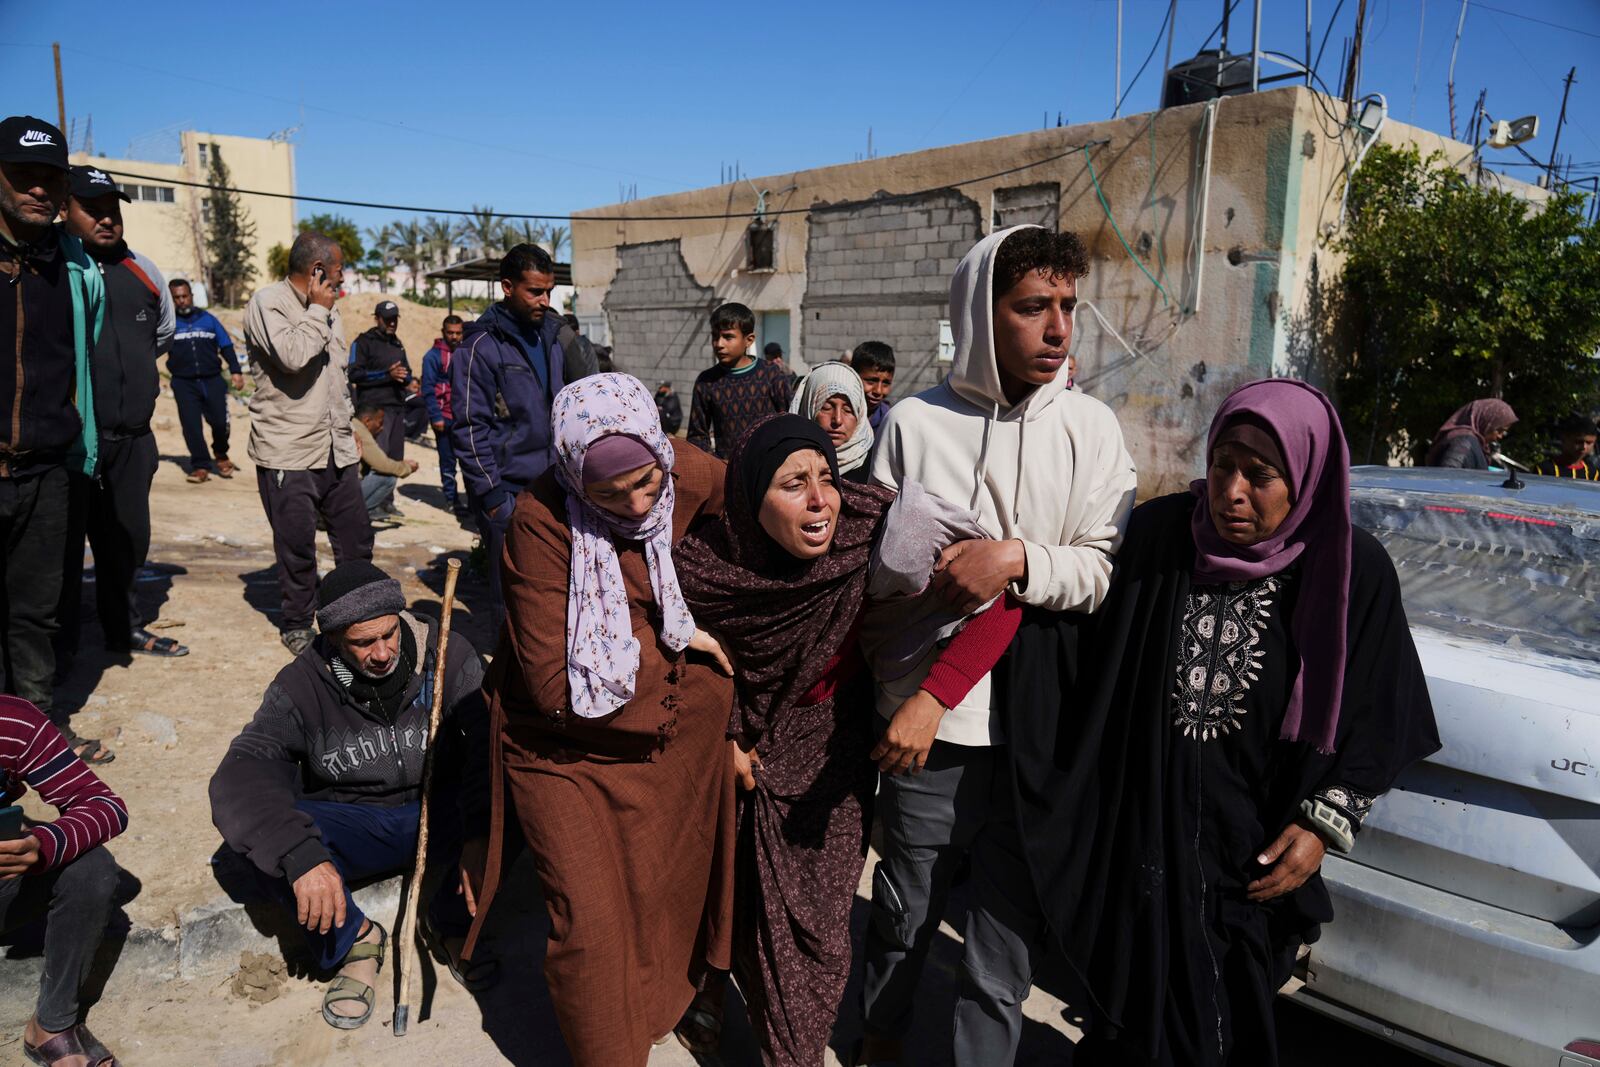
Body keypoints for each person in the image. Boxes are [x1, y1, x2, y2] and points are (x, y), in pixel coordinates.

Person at [1044, 380, 1441, 1066]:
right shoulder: (1165, 535)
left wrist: (1323, 823)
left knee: (1227, 1029)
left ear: (1306, 476)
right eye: (1222, 464)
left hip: (1254, 856)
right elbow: (1087, 656)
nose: (1231, 491)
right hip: (1150, 840)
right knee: (1129, 1026)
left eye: (1260, 476)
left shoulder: (1348, 569)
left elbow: (1386, 713)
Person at [859, 225, 1137, 1066]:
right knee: (906, 909)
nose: (1058, 328)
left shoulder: (1091, 428)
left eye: (1068, 306)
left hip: (1036, 731)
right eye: (1032, 308)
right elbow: (867, 574)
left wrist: (1013, 559)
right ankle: (878, 1038)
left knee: (1002, 949)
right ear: (982, 313)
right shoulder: (913, 423)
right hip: (925, 726)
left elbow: (1103, 567)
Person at [676, 414, 1022, 1067]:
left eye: (826, 478)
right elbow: (656, 648)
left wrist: (934, 695)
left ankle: (795, 1050)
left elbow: (1000, 598)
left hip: (831, 752)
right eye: (793, 484)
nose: (819, 500)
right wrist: (718, 733)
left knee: (820, 930)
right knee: (733, 902)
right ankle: (726, 1008)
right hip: (737, 756)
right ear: (751, 499)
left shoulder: (873, 531)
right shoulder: (704, 569)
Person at [461, 373, 737, 1067]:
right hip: (560, 746)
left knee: (669, 883)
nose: (638, 503)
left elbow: (762, 492)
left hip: (663, 738)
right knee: (590, 924)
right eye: (609, 496)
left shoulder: (680, 466)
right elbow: (555, 680)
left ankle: (674, 1000)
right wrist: (674, 642)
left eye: (647, 483)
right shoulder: (540, 524)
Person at [209, 560, 493, 1031]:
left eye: (389, 635)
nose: (381, 653)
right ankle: (356, 941)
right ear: (336, 640)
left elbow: (490, 742)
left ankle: (449, 923)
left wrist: (483, 828)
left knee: (532, 801)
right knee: (261, 841)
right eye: (363, 643)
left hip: (444, 814)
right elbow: (244, 771)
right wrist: (301, 856)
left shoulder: (447, 651)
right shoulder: (300, 684)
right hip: (357, 825)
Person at [0, 116, 106, 762]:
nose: (38, 190)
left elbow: (82, 357)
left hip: (46, 471)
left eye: (50, 180)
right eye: (24, 176)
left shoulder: (71, 268)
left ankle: (33, 735)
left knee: (36, 616)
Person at [58, 165, 187, 672]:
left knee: (128, 542)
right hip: (70, 443)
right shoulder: (57, 268)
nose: (106, 219)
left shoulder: (146, 272)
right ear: (66, 210)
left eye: (112, 209)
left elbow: (159, 338)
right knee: (62, 552)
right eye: (93, 209)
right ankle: (57, 653)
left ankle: (123, 628)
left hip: (132, 441)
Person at [451, 243, 595, 637]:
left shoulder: (552, 335)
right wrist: (493, 496)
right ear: (507, 287)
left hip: (557, 484)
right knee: (512, 596)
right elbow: (468, 426)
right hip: (509, 491)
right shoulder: (480, 346)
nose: (545, 300)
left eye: (549, 291)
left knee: (556, 587)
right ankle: (507, 678)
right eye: (535, 291)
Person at [243, 231, 374, 656]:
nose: (342, 281)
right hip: (289, 452)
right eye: (337, 272)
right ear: (317, 271)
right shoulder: (269, 303)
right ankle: (298, 621)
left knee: (356, 540)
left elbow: (336, 377)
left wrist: (347, 423)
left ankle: (358, 610)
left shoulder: (330, 311)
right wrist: (319, 310)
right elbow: (294, 356)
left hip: (335, 448)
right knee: (297, 547)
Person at [3, 695, 128, 1067]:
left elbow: (105, 806)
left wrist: (42, 847)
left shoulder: (13, 724)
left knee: (90, 867)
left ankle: (52, 1026)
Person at [686, 303, 793, 459]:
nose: (719, 344)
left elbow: (790, 422)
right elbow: (697, 436)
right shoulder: (706, 381)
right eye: (715, 336)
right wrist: (715, 465)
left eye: (728, 337)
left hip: (769, 469)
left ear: (749, 340)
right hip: (726, 473)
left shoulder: (771, 375)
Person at [167, 277, 242, 483]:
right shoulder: (168, 323)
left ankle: (220, 453)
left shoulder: (209, 319)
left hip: (212, 380)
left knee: (220, 423)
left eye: (184, 296)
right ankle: (200, 465)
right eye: (176, 298)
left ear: (191, 295)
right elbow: (152, 349)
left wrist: (235, 371)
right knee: (191, 426)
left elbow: (226, 345)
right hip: (184, 383)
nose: (181, 301)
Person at [346, 300, 416, 517]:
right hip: (374, 410)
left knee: (395, 454)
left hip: (396, 408)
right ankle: (369, 503)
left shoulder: (397, 344)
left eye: (395, 319)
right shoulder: (363, 342)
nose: (392, 323)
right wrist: (387, 374)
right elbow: (354, 374)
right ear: (377, 318)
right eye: (388, 319)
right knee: (376, 457)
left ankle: (387, 501)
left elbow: (406, 372)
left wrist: (407, 379)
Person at [788, 361, 874, 482]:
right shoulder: (787, 462)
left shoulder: (876, 464)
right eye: (826, 407)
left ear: (860, 414)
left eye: (848, 410)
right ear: (808, 408)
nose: (838, 420)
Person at [420, 315, 467, 517]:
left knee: (468, 462)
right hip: (444, 417)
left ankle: (472, 501)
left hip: (464, 418)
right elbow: (428, 389)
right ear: (443, 332)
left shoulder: (466, 353)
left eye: (458, 332)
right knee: (448, 461)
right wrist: (435, 416)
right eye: (450, 332)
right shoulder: (433, 357)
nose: (454, 336)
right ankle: (451, 499)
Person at [353, 405, 419, 523]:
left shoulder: (352, 425)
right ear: (367, 421)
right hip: (342, 494)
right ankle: (356, 515)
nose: (382, 428)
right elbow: (382, 464)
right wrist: (407, 467)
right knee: (387, 478)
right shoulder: (359, 429)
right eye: (380, 422)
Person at [1425, 398, 1517, 469]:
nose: (1500, 436)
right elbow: (1448, 477)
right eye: (1499, 430)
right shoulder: (1463, 443)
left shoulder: (1475, 443)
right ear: (1484, 422)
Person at [1535, 414, 1599, 479]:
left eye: (1589, 443)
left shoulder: (1593, 474)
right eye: (1579, 442)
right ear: (1564, 438)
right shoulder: (1544, 471)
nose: (1584, 447)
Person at [850, 341, 896, 432]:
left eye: (886, 383)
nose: (878, 391)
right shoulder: (839, 417)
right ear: (854, 376)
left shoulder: (889, 421)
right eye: (871, 381)